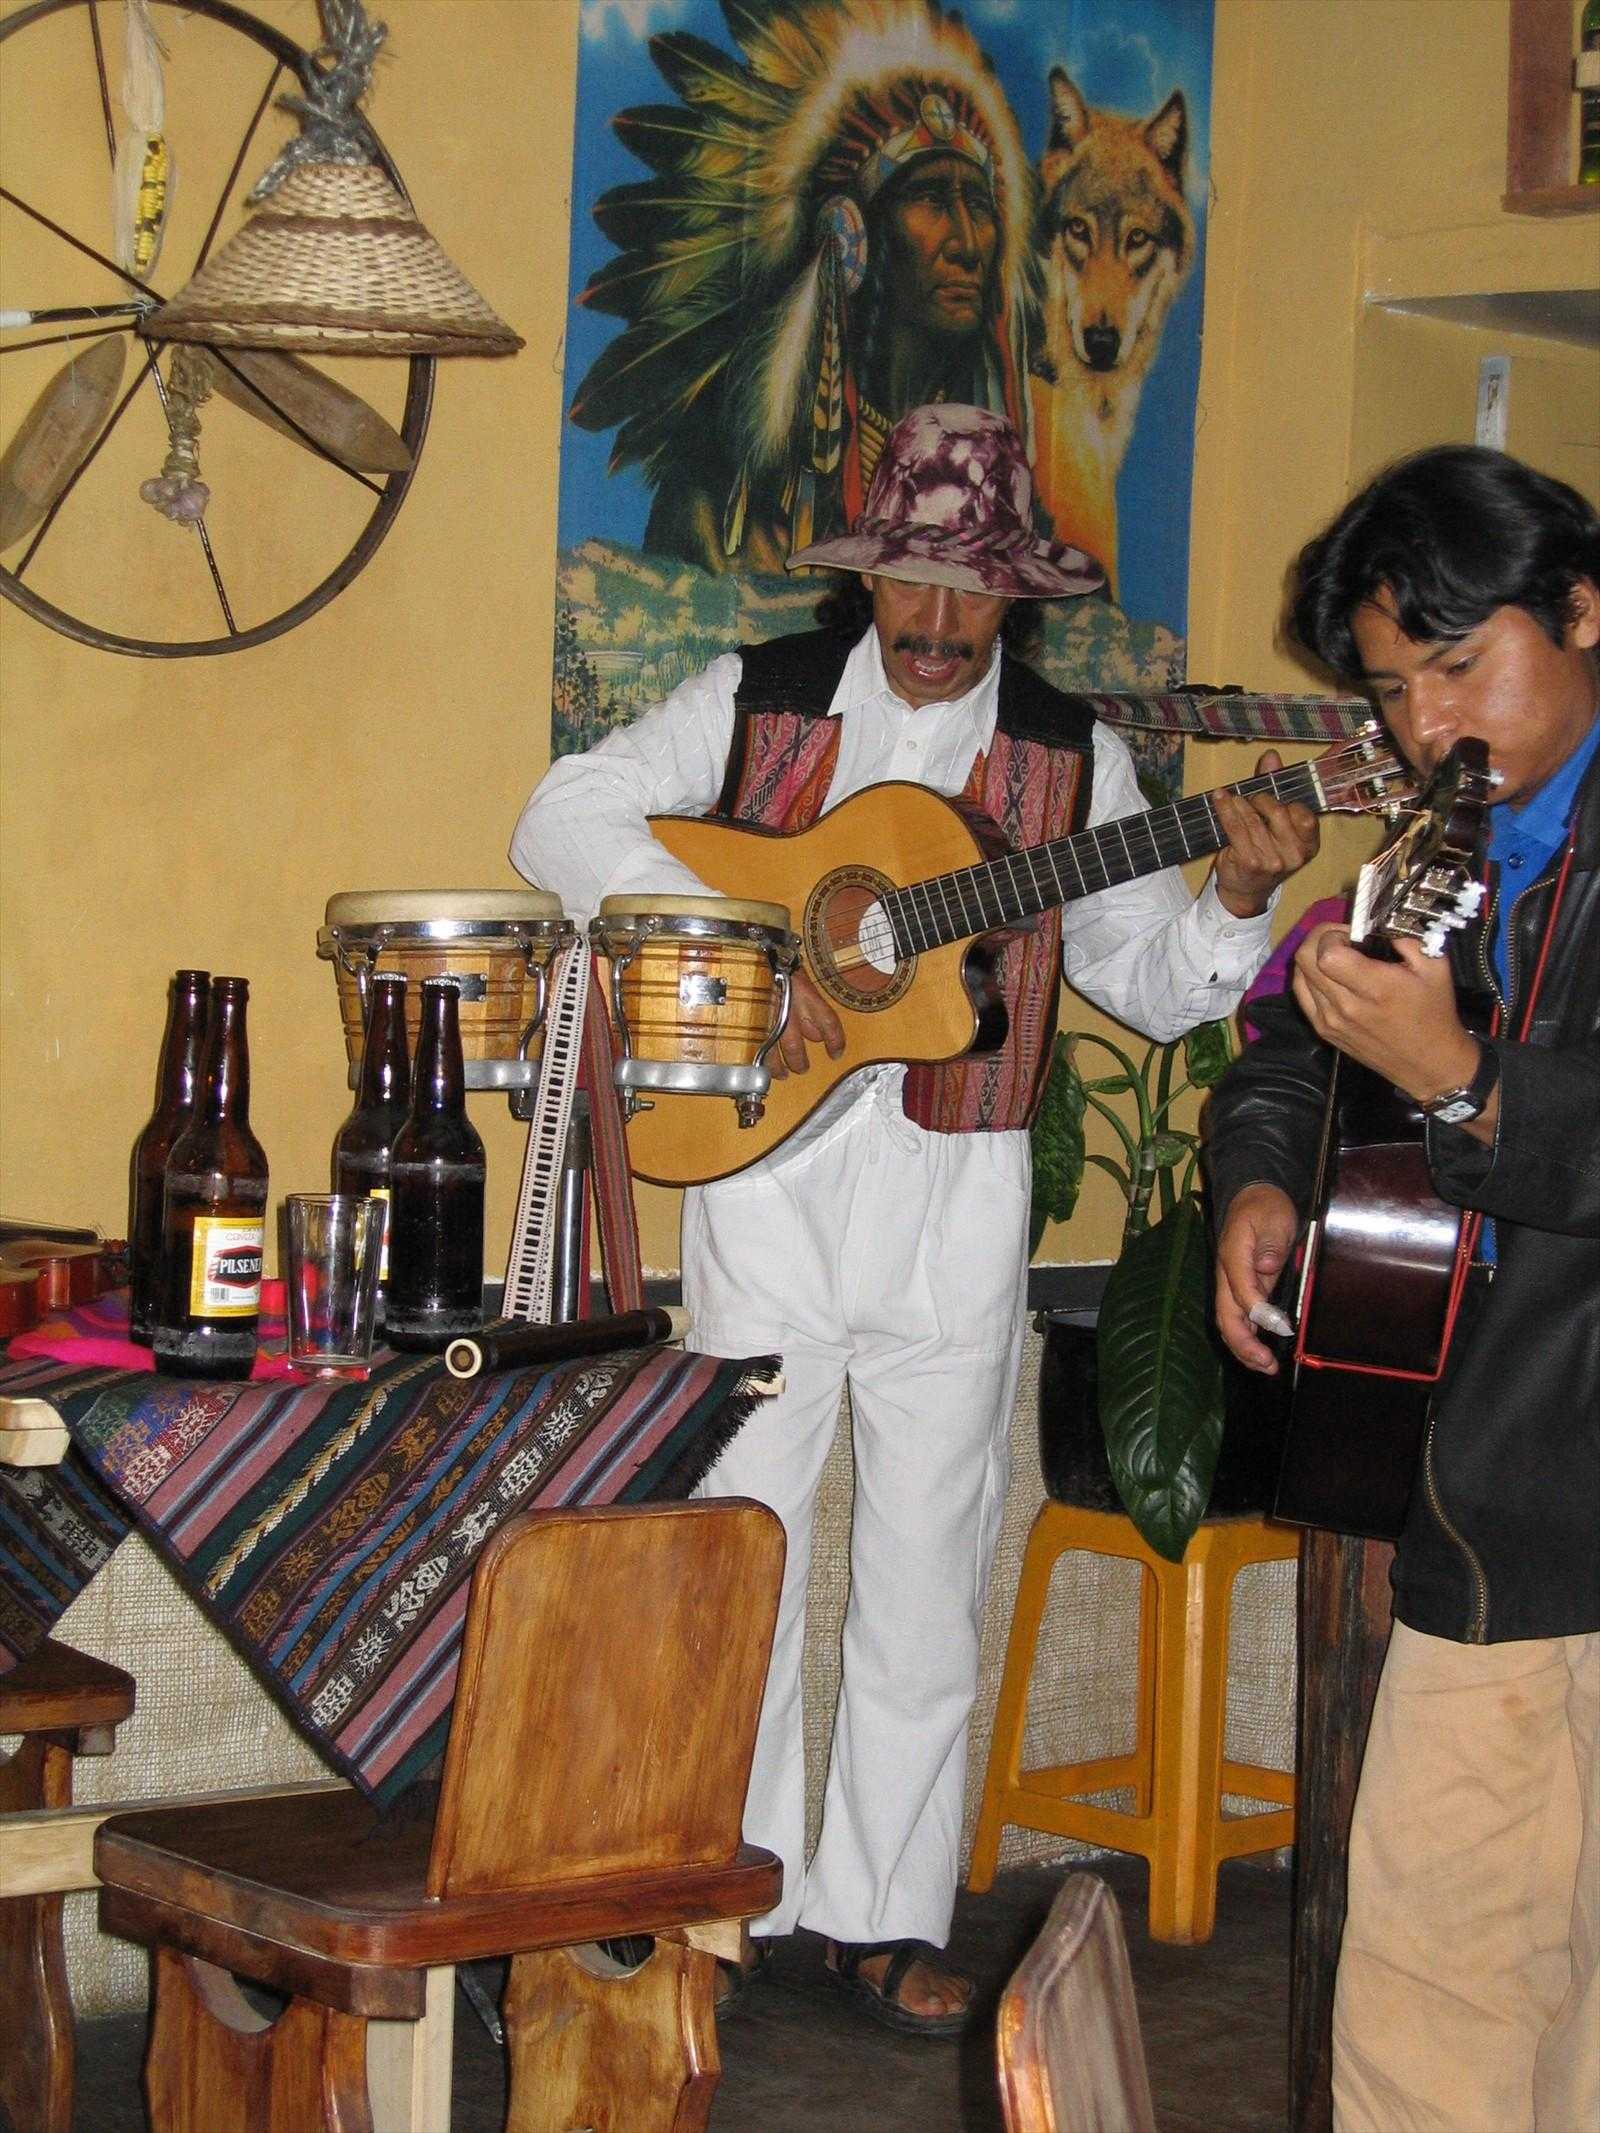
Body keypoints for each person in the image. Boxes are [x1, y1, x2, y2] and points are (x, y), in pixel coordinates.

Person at [513, 402, 1317, 2032]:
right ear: (868, 576)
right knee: (742, 1542)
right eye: (915, 582)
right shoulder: (761, 696)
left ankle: (877, 1917)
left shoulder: (1074, 757)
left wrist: (1235, 894)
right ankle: (726, 1896)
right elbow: (561, 818)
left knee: (929, 1566)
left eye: (975, 590)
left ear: (1017, 595)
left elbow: (1156, 984)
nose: (942, 621)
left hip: (962, 1185)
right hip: (765, 1167)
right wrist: (751, 936)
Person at [1206, 446, 1600, 2131]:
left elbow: (1489, 1088)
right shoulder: (1449, 846)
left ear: (1583, 609)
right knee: (1428, 2006)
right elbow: (1295, 1044)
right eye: (1391, 690)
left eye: (1459, 664)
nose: (1431, 724)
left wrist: (1467, 1082)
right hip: (1486, 1521)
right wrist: (1264, 1174)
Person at [567, 0, 1034, 575]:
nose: (967, 242)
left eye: (979, 205)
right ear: (851, 231)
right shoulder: (731, 510)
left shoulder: (1001, 502)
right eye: (931, 198)